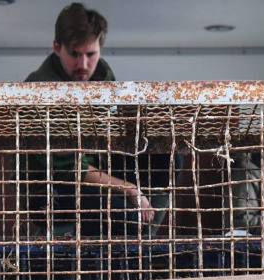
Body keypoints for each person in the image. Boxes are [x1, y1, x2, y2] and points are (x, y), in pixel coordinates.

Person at [24, 3, 174, 239]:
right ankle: (135, 234)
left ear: (100, 49)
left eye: (90, 54)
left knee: (165, 153)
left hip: (99, 166)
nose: (83, 65)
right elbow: (68, 168)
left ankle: (146, 231)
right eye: (75, 54)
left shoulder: (103, 75)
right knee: (116, 211)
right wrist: (129, 188)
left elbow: (116, 131)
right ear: (57, 48)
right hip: (55, 189)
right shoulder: (39, 89)